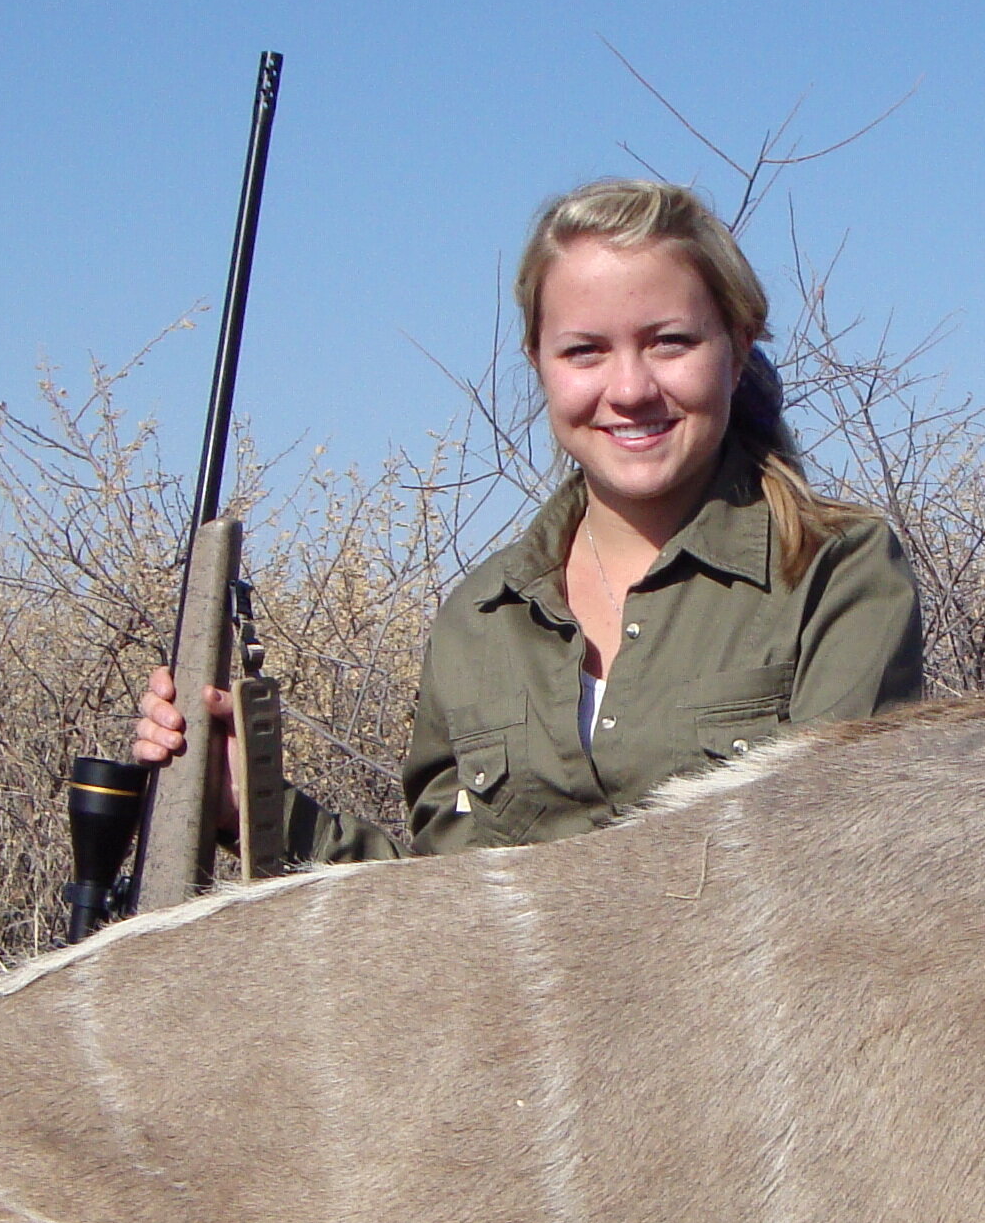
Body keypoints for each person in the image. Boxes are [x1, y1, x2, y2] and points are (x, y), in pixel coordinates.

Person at [135, 179, 925, 861]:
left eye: (670, 342)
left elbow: (830, 873)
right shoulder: (481, 619)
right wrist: (256, 811)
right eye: (585, 352)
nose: (630, 389)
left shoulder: (836, 569)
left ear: (738, 344)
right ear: (539, 363)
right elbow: (443, 908)